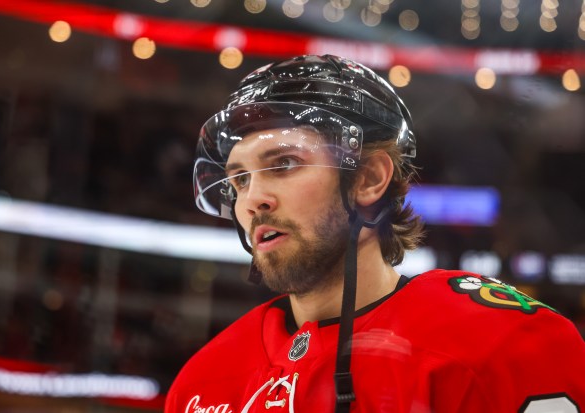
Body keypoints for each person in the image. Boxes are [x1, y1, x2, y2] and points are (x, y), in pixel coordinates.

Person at [166, 54, 585, 413]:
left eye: (283, 164)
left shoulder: (497, 343)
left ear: (368, 178)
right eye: (239, 179)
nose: (253, 199)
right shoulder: (201, 384)